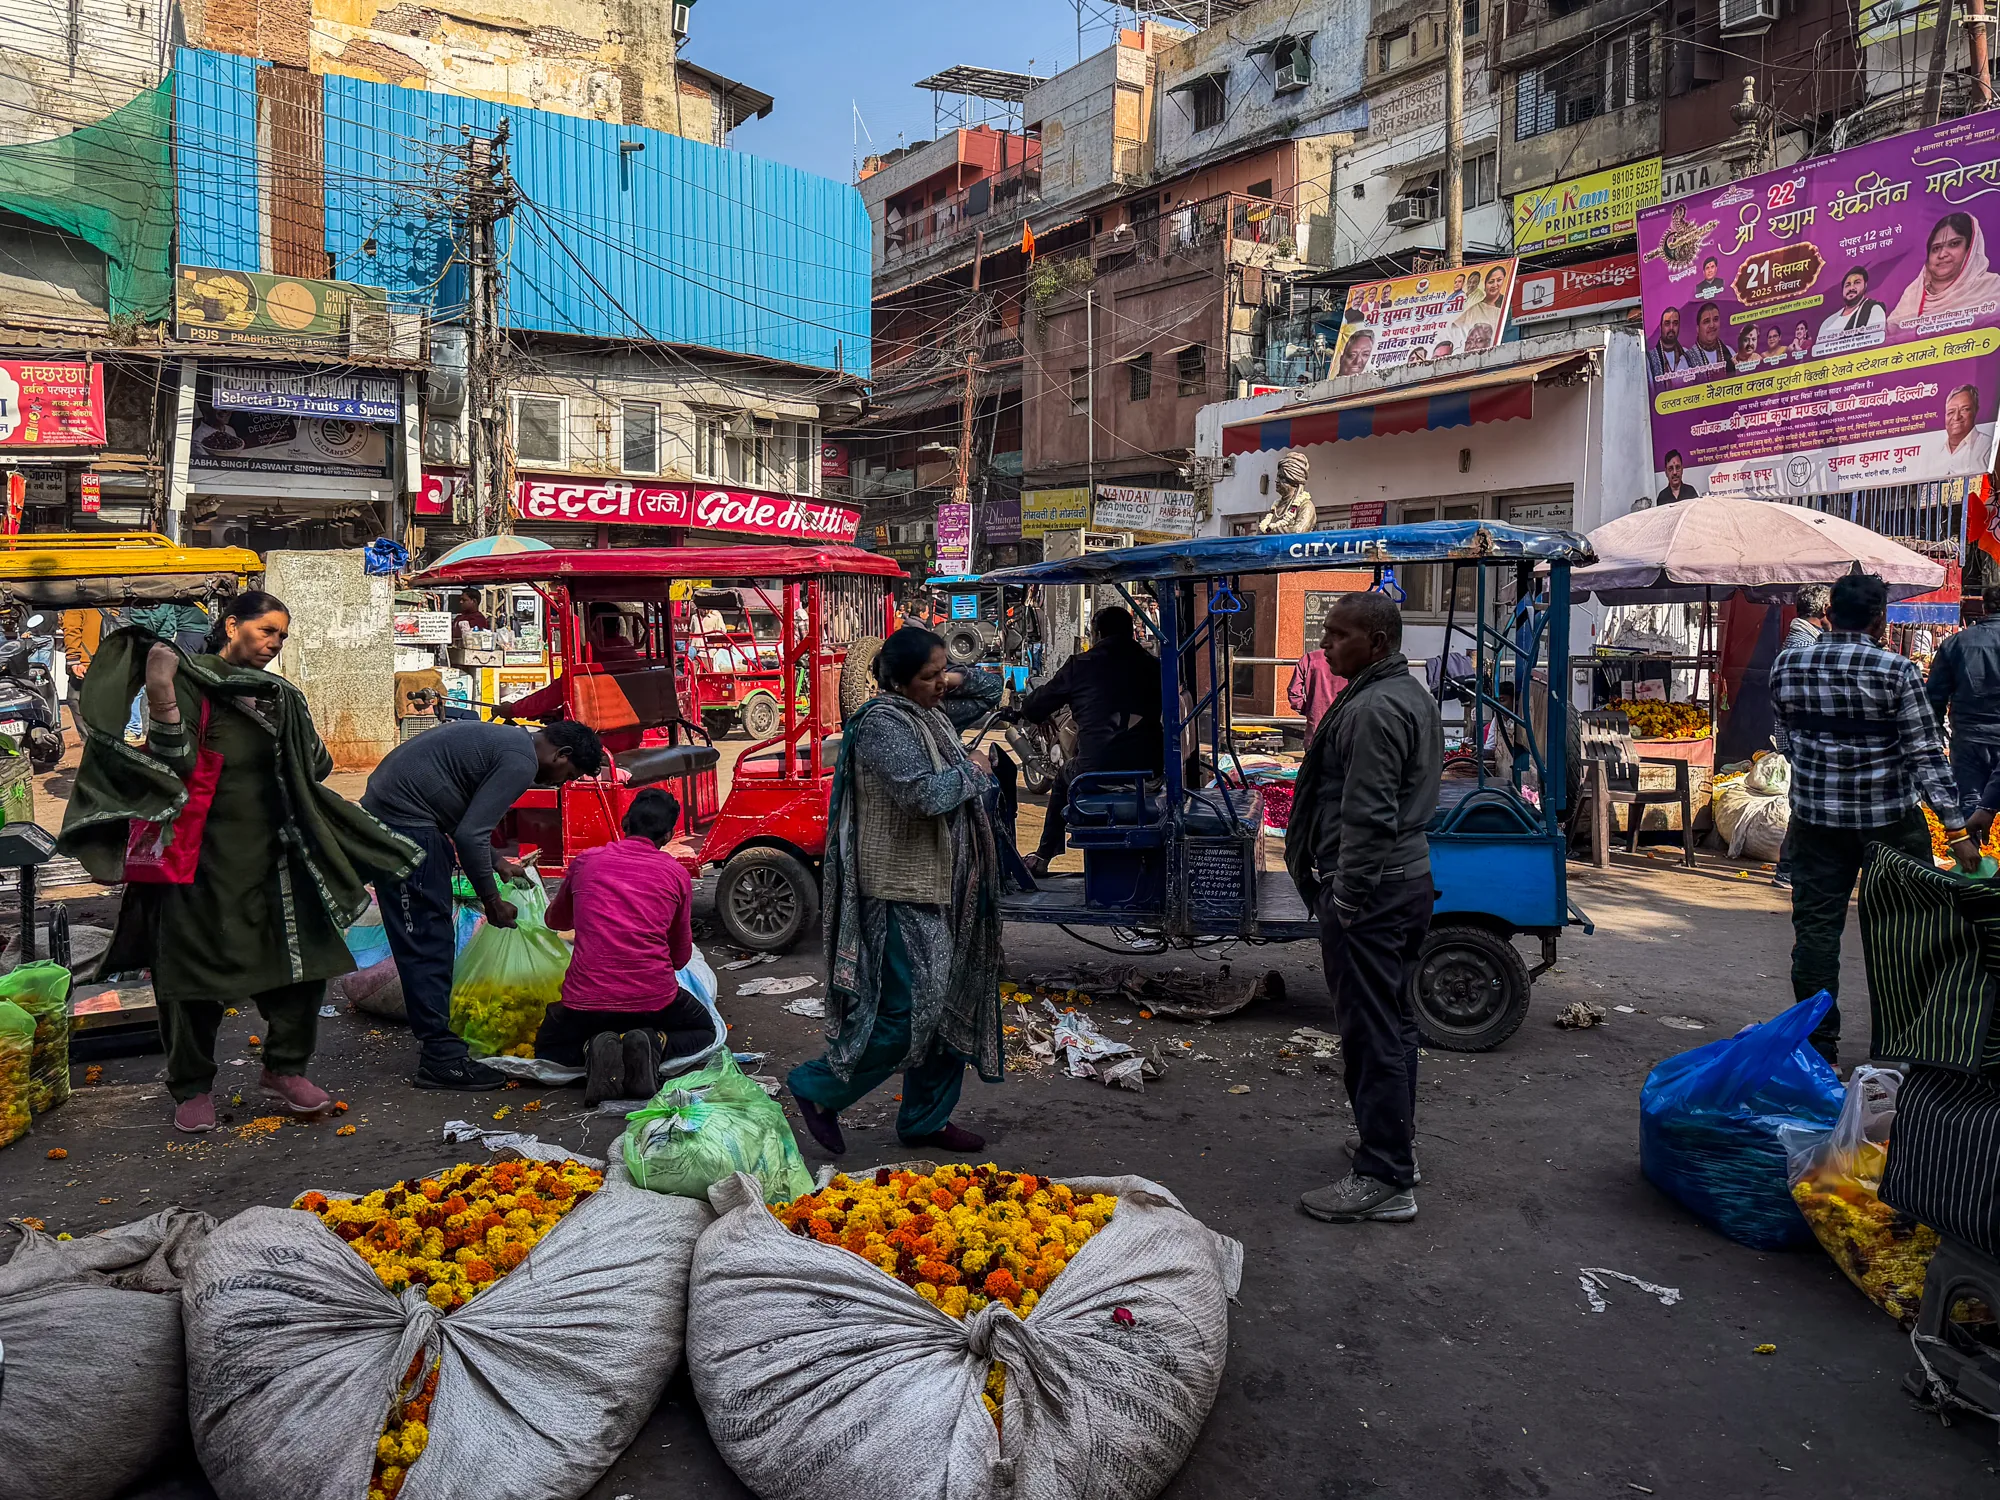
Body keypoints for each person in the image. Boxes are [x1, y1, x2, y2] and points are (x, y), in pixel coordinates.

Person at [58, 592, 422, 1134]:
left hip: (277, 859)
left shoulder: (279, 694)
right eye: (267, 630)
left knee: (304, 970)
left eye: (282, 637)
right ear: (231, 625)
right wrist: (161, 691)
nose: (275, 644)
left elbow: (316, 765)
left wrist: (291, 724)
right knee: (190, 978)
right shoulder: (190, 681)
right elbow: (175, 760)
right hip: (197, 862)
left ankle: (285, 1069)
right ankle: (191, 1086)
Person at [789, 625, 1002, 1156]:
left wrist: (950, 675)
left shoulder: (930, 711)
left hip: (949, 889)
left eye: (941, 673)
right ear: (900, 682)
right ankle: (819, 1088)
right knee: (908, 1016)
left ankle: (926, 1119)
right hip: (901, 890)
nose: (941, 684)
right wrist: (975, 770)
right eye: (930, 676)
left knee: (948, 1007)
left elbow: (991, 689)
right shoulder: (884, 724)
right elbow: (922, 796)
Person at [1770, 573, 1979, 1065]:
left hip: (1816, 821)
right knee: (1907, 933)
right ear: (1879, 619)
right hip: (1889, 822)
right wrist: (1956, 830)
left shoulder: (1788, 664)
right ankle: (1906, 1044)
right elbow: (1925, 755)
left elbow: (1785, 736)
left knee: (1816, 932)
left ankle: (1819, 1048)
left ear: (1829, 614)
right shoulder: (1896, 670)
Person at [1287, 593, 1442, 1224]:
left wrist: (1346, 898)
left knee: (1371, 1031)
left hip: (1374, 891)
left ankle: (1385, 1176)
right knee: (1394, 1023)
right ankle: (1394, 1147)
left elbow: (1369, 817)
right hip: (1403, 883)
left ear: (1376, 643)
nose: (1325, 645)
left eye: (1338, 635)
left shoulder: (1376, 708)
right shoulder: (1400, 693)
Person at [362, 716, 605, 1089]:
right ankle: (440, 1059)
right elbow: (470, 834)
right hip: (404, 825)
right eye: (567, 775)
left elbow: (461, 818)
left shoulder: (510, 742)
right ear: (561, 754)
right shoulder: (521, 762)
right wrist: (492, 901)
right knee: (426, 942)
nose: (559, 784)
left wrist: (497, 862)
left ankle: (438, 1043)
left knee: (430, 937)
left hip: (402, 815)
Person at [535, 788, 709, 1105]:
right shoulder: (676, 874)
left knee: (547, 1048)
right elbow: (680, 957)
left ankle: (593, 1048)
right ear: (668, 835)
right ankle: (654, 1043)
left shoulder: (586, 862)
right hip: (653, 1000)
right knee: (705, 1032)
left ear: (625, 822)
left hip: (586, 1003)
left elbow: (554, 921)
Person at [1019, 607, 1165, 877]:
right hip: (1150, 773)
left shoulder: (1080, 665)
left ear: (1096, 634)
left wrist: (1033, 710)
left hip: (1094, 773)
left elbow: (1034, 706)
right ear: (1131, 632)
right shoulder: (1154, 666)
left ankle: (1043, 856)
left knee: (1063, 777)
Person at [1770, 584, 1833, 890]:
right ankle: (1789, 868)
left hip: (1796, 739)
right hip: (1807, 740)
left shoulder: (1795, 647)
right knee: (1808, 806)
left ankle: (1791, 867)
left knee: (1806, 805)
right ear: (1824, 611)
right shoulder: (1807, 649)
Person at [1925, 582, 2000, 819]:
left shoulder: (1956, 643)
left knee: (1970, 803)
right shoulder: (1955, 643)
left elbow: (1934, 697)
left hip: (1968, 739)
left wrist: (1935, 737)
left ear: (1985, 608)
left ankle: (1972, 843)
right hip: (1974, 734)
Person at [1890, 213, 2000, 332]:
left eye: (1954, 244)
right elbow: (1889, 337)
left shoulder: (1993, 288)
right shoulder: (1912, 295)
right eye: (1936, 248)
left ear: (1971, 247)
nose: (1942, 255)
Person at [1925, 384, 1996, 476]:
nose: (1956, 417)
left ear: (1975, 410)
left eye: (1964, 409)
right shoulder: (1933, 452)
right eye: (1951, 412)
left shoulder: (1989, 446)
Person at [1817, 267, 1888, 347]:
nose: (1851, 288)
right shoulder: (1828, 322)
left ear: (1865, 286)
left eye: (1857, 283)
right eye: (1847, 285)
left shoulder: (1874, 310)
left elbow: (1874, 345)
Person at [1287, 641, 1345, 738]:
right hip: (1344, 724)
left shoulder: (1310, 659)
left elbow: (1294, 692)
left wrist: (1308, 710)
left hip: (1316, 724)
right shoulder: (1354, 662)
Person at [1686, 302, 1735, 371]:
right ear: (1698, 329)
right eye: (1706, 321)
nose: (1712, 325)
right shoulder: (1686, 360)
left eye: (1715, 319)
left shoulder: (1730, 353)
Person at [1647, 307, 1687, 379]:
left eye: (1675, 323)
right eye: (1667, 323)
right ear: (1660, 327)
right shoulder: (1650, 359)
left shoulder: (1687, 355)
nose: (1671, 328)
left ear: (1679, 326)